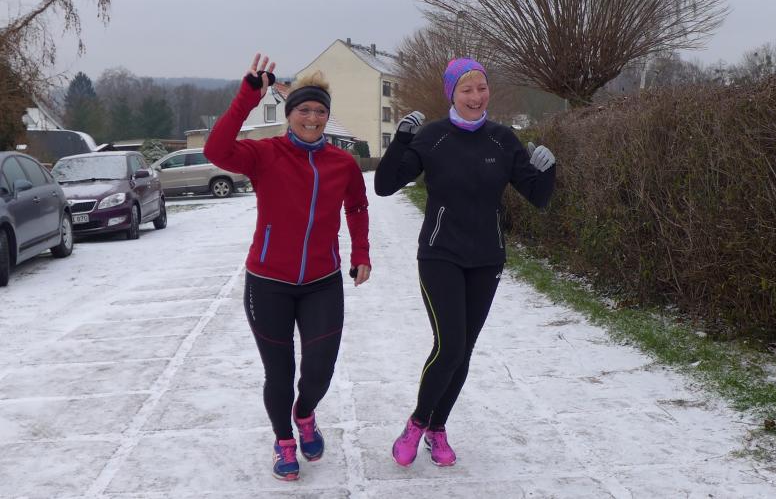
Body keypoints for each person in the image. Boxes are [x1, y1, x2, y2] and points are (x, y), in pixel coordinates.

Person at [374, 57, 555, 467]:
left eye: (482, 88)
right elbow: (384, 186)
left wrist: (548, 171)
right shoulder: (433, 137)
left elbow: (538, 196)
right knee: (450, 345)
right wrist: (400, 142)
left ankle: (438, 429)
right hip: (440, 254)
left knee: (463, 351)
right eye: (466, 89)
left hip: (487, 258)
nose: (476, 97)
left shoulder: (502, 140)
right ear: (451, 94)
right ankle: (417, 423)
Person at [204, 53, 371, 481]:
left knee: (319, 371)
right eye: (304, 110)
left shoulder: (342, 163)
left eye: (320, 111)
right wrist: (248, 96)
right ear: (289, 113)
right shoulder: (265, 155)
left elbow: (356, 205)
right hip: (268, 283)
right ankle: (283, 442)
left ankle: (305, 413)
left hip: (322, 281)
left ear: (327, 117)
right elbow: (215, 150)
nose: (312, 118)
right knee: (279, 373)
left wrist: (361, 253)